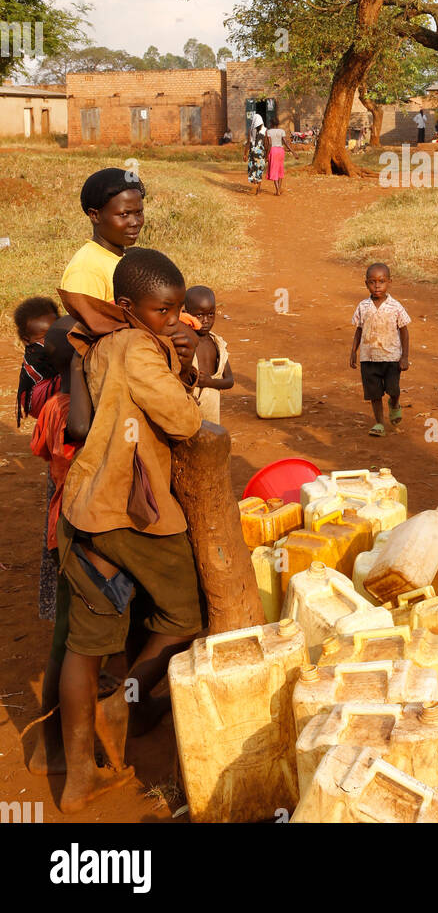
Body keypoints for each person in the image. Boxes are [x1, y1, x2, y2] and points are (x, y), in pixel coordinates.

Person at [57, 248, 205, 812]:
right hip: (132, 510)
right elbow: (185, 420)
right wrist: (182, 363)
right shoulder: (143, 351)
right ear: (128, 307)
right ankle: (131, 705)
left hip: (86, 508)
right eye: (163, 312)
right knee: (184, 614)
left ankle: (77, 780)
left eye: (177, 310)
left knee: (86, 645)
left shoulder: (105, 340)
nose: (174, 320)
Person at [27, 316, 89, 776]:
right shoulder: (74, 410)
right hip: (76, 530)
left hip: (59, 523)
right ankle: (56, 748)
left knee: (66, 637)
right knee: (70, 641)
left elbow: (39, 451)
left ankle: (53, 742)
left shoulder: (50, 402)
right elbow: (83, 438)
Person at [60, 169, 146, 302]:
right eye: (124, 214)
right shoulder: (86, 271)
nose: (135, 222)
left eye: (139, 212)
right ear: (95, 215)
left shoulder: (123, 258)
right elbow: (85, 321)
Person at [349, 263, 411, 437]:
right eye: (372, 282)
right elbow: (359, 330)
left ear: (389, 282)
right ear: (366, 283)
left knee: (394, 389)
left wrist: (404, 357)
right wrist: (353, 351)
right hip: (368, 358)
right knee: (374, 394)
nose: (377, 286)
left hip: (391, 358)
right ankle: (379, 423)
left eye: (381, 281)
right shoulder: (363, 306)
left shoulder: (396, 307)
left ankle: (395, 403)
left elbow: (404, 332)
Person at [183, 285, 234, 423]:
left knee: (210, 440)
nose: (205, 320)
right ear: (185, 314)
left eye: (210, 314)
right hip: (188, 408)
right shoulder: (183, 343)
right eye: (199, 315)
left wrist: (210, 382)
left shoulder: (218, 344)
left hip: (211, 410)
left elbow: (229, 381)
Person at [14, 296, 60, 426]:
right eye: (44, 336)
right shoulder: (37, 354)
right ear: (26, 340)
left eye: (55, 332)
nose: (52, 338)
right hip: (34, 398)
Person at [244, 123, 267, 195]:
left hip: (253, 155)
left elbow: (248, 143)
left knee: (253, 171)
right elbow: (266, 144)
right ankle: (258, 189)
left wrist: (245, 154)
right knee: (259, 172)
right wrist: (267, 155)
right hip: (260, 155)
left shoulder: (251, 131)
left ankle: (256, 185)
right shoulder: (265, 131)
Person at [265, 120, 287, 196]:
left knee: (274, 170)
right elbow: (285, 142)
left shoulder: (269, 131)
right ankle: (279, 189)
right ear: (278, 124)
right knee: (280, 169)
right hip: (281, 151)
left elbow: (269, 143)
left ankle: (277, 190)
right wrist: (293, 152)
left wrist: (266, 155)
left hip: (273, 150)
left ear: (271, 123)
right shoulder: (282, 131)